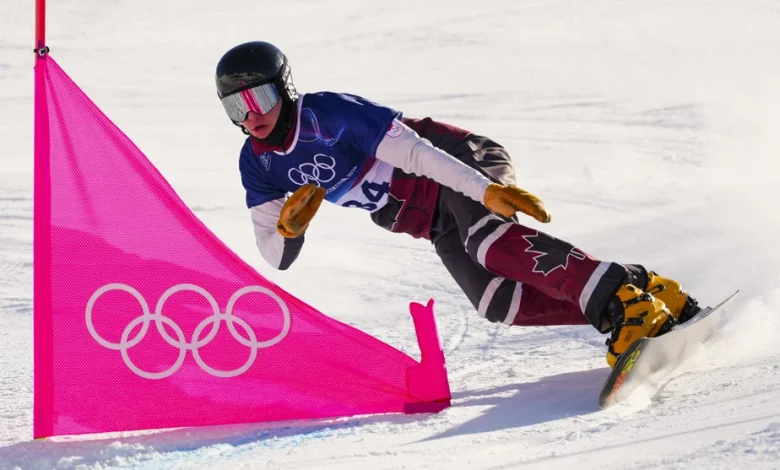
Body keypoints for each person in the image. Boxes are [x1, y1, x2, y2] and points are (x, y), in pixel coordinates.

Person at [215, 41, 701, 367]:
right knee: (497, 302)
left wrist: (484, 190)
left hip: (457, 164)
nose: (251, 113)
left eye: (258, 96)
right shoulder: (257, 164)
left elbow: (414, 153)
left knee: (492, 244)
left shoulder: (326, 114)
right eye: (237, 105)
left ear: (284, 87)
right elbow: (273, 255)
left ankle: (625, 303)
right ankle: (636, 294)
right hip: (430, 219)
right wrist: (289, 230)